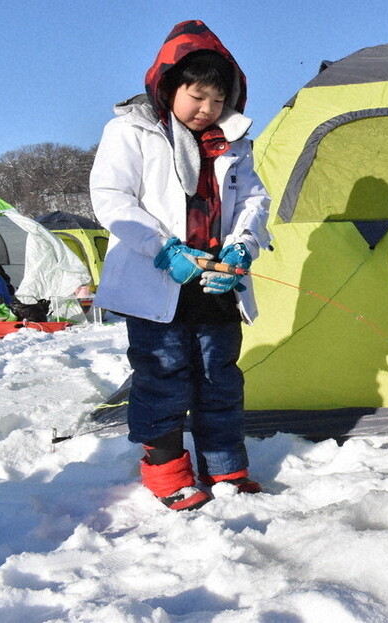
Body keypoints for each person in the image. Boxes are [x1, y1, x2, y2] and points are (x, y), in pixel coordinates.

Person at [90, 20, 272, 510]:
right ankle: (166, 471)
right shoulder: (131, 130)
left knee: (219, 374)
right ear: (171, 86)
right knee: (163, 374)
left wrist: (241, 247)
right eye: (197, 96)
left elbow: (255, 200)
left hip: (215, 280)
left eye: (218, 99)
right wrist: (165, 249)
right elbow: (111, 199)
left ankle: (226, 468)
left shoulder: (233, 140)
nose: (207, 109)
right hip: (158, 280)